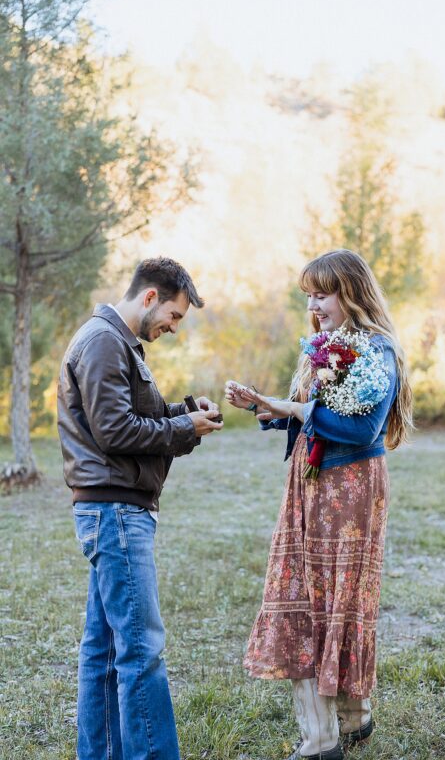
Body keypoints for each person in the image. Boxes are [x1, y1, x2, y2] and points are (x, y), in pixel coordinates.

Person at [224, 249, 413, 760]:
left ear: (350, 293)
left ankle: (323, 739)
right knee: (308, 595)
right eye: (308, 294)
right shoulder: (319, 347)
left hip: (351, 488)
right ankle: (351, 717)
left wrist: (293, 407)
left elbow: (361, 427)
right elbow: (306, 415)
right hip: (308, 482)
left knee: (337, 600)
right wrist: (265, 406)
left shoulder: (378, 352)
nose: (313, 304)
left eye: (321, 293)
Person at [57, 257, 223, 760]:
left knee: (105, 651)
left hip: (111, 509)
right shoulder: (106, 341)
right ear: (150, 297)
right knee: (141, 653)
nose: (172, 329)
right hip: (115, 513)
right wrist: (182, 430)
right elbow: (115, 432)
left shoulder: (113, 341)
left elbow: (129, 416)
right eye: (173, 317)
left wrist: (183, 413)